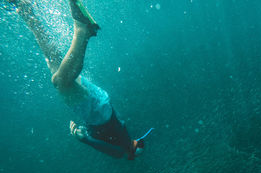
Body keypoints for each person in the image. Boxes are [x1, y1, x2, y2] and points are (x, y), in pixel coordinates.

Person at [7, 0, 153, 160]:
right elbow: (112, 149)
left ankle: (27, 12)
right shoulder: (123, 149)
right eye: (139, 145)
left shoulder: (123, 134)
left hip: (100, 106)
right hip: (98, 113)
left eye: (139, 145)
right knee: (61, 82)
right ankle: (82, 31)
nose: (138, 144)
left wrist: (86, 134)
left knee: (55, 65)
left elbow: (109, 132)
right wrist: (85, 139)